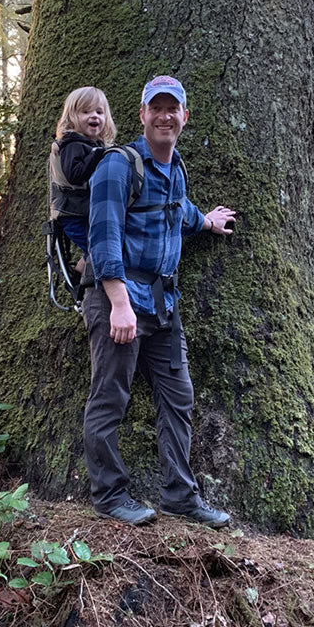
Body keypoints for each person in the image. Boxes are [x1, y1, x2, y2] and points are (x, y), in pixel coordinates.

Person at [82, 75, 236, 527]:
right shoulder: (119, 165)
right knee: (110, 398)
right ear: (143, 115)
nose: (165, 116)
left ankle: (179, 496)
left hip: (163, 302)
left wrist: (205, 222)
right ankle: (109, 495)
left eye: (174, 109)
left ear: (184, 117)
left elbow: (177, 209)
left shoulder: (174, 167)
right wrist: (118, 302)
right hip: (120, 300)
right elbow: (102, 236)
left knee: (178, 397)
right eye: (157, 108)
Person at [49, 86, 117, 271]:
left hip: (87, 212)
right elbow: (75, 175)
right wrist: (97, 155)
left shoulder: (93, 145)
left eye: (99, 112)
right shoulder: (72, 144)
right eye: (85, 112)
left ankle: (79, 275)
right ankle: (84, 284)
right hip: (72, 214)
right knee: (97, 249)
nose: (94, 116)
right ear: (72, 117)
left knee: (99, 247)